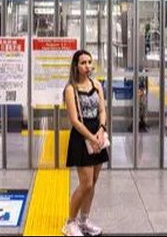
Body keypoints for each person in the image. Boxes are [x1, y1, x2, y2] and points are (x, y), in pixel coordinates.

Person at [62, 49, 109, 237]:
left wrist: (101, 129)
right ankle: (70, 222)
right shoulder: (70, 89)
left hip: (97, 134)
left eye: (89, 62)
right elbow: (74, 120)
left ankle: (84, 220)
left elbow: (102, 111)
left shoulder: (97, 84)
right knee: (86, 183)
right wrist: (91, 137)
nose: (87, 66)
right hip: (82, 137)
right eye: (83, 63)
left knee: (94, 182)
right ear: (76, 66)